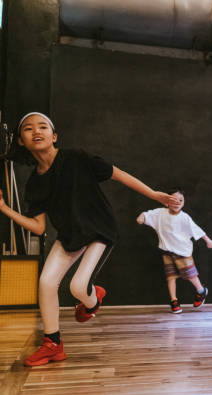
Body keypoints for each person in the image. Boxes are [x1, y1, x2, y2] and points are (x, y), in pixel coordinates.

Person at [1, 112, 177, 366]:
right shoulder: (34, 184)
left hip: (100, 231)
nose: (36, 131)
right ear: (20, 141)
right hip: (70, 236)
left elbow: (118, 174)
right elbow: (38, 228)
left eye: (42, 126)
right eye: (28, 129)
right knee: (46, 282)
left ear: (54, 136)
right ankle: (53, 345)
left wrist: (153, 194)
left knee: (76, 287)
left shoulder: (76, 158)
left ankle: (92, 300)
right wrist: (5, 209)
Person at [137, 188, 212, 313]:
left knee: (190, 275)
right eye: (174, 200)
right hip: (167, 251)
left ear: (184, 202)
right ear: (167, 201)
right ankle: (174, 300)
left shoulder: (185, 217)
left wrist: (207, 240)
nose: (177, 202)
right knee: (171, 277)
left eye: (180, 200)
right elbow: (147, 214)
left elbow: (196, 229)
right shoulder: (160, 213)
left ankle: (201, 291)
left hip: (182, 251)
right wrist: (141, 217)